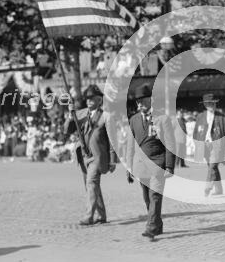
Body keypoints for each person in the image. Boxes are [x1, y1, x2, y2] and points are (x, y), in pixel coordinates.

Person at [126, 84, 175, 240]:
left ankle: (151, 228)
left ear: (151, 100)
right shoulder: (133, 120)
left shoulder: (162, 119)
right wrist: (128, 167)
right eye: (137, 102)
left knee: (155, 196)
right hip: (140, 166)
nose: (139, 104)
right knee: (147, 198)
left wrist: (169, 166)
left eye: (142, 101)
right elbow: (130, 145)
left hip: (158, 163)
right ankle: (157, 224)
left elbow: (170, 144)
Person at [65, 84, 117, 226]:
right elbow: (68, 130)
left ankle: (88, 216)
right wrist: (70, 115)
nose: (88, 101)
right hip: (83, 155)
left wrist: (113, 161)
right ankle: (101, 216)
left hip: (97, 157)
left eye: (92, 98)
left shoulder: (106, 116)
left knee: (91, 183)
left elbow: (113, 140)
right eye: (87, 98)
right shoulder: (80, 113)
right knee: (92, 186)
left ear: (100, 100)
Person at [192, 93, 225, 196]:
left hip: (217, 145)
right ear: (205, 105)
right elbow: (195, 132)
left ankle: (207, 187)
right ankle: (219, 190)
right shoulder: (200, 116)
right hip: (204, 145)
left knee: (213, 165)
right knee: (212, 167)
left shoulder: (222, 117)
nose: (211, 105)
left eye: (213, 103)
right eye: (209, 104)